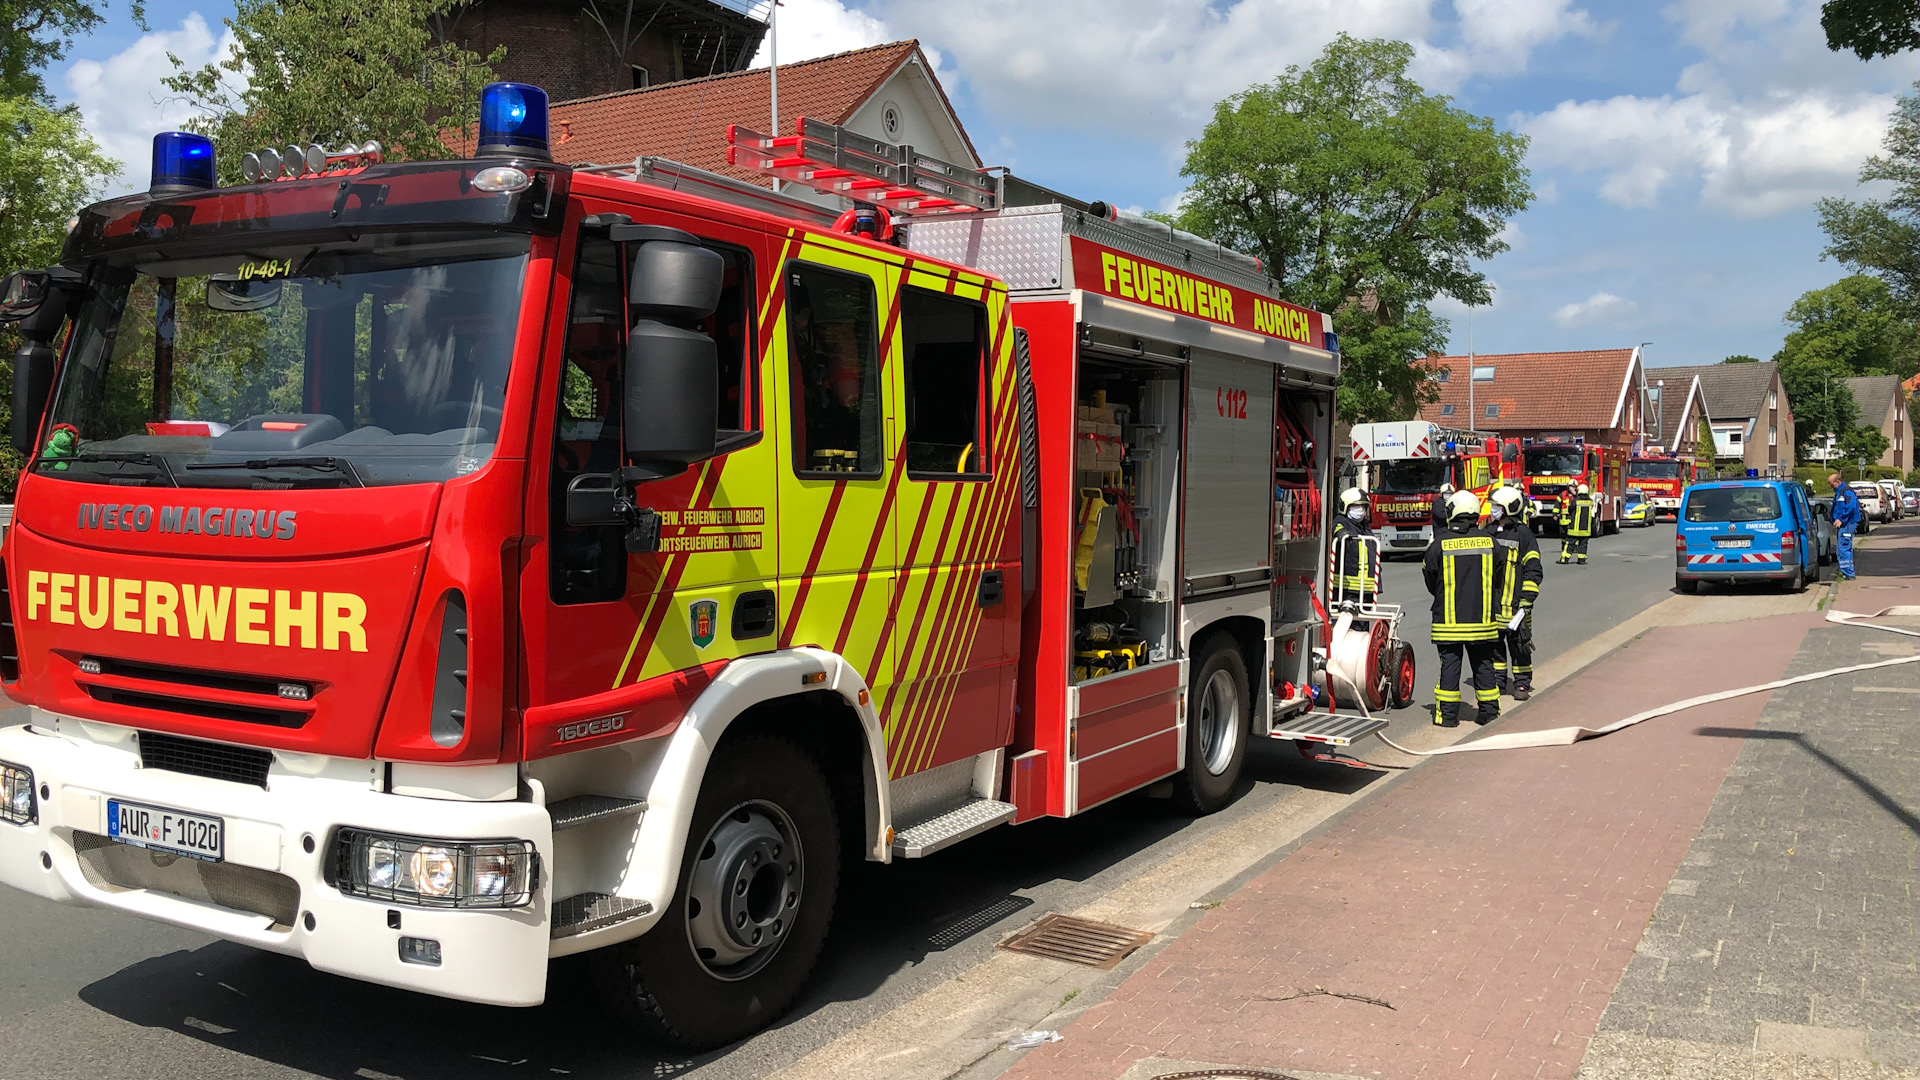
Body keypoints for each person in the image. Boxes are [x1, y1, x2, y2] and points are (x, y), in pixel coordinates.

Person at [1423, 489, 1506, 727]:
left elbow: (1430, 578)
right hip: (1483, 621)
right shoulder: (1491, 542)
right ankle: (1489, 714)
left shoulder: (1440, 544)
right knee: (1484, 664)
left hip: (1448, 622)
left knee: (1450, 667)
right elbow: (1498, 578)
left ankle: (1448, 717)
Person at [1487, 485, 1544, 700]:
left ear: (1508, 508)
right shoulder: (1488, 531)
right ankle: (1498, 681)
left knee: (1520, 646)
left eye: (1497, 506)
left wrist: (1527, 599)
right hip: (1492, 605)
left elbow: (1533, 569)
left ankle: (1521, 684)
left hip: (1516, 605)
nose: (1493, 509)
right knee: (1494, 646)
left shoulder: (1524, 534)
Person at [1330, 487, 1382, 603]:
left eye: (1363, 506)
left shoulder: (1364, 527)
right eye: (1356, 506)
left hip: (1367, 589)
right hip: (1347, 589)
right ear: (1345, 507)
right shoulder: (1341, 522)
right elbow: (1335, 527)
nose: (1361, 510)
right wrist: (1341, 533)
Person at [1830, 472, 1862, 579]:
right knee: (1844, 548)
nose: (1831, 487)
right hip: (1845, 524)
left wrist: (1841, 519)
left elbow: (1851, 506)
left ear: (1838, 482)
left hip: (1847, 524)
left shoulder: (1846, 491)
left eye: (1832, 484)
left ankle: (1848, 573)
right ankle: (1847, 572)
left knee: (1843, 548)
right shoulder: (1840, 492)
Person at [1558, 483, 1596, 565]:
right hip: (1586, 529)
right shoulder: (1590, 501)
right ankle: (1581, 560)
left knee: (1570, 544)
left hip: (1574, 529)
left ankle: (1565, 559)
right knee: (1583, 545)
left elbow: (1570, 510)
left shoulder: (1575, 501)